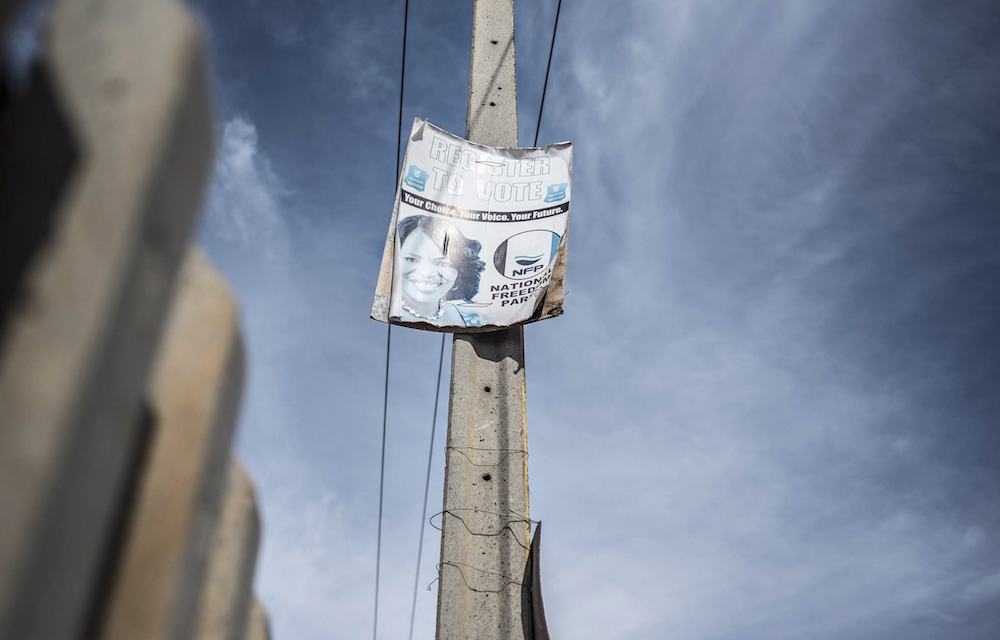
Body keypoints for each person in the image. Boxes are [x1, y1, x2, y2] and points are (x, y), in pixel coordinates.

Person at [394, 214, 490, 327]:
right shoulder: (387, 310)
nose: (427, 273)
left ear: (460, 271)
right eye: (412, 259)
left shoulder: (479, 321)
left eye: (443, 263)